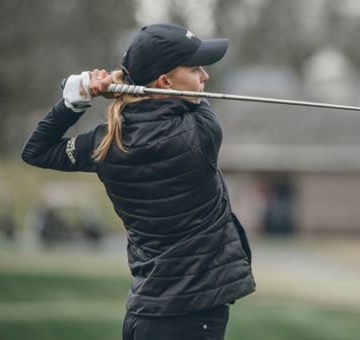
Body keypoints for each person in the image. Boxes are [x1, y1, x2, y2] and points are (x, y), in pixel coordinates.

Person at [22, 23, 256, 340]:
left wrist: (75, 101)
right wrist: (123, 88)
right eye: (195, 68)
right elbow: (191, 103)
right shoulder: (202, 132)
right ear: (165, 82)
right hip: (191, 318)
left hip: (141, 317)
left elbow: (36, 151)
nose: (205, 77)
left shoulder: (103, 144)